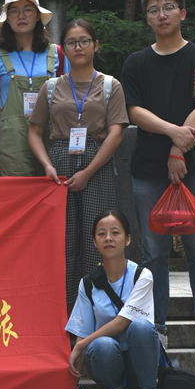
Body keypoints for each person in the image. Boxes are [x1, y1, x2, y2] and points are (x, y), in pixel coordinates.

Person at [121, 0, 195, 353]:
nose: (161, 15)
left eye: (168, 7)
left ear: (182, 12)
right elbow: (134, 111)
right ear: (147, 18)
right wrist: (173, 135)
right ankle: (156, 327)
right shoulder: (136, 63)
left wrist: (178, 151)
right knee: (153, 253)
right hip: (148, 170)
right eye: (153, 10)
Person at [28, 18, 129, 309]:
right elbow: (34, 132)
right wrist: (47, 165)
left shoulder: (110, 85)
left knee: (98, 237)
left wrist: (88, 171)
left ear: (95, 45)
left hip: (96, 163)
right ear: (63, 49)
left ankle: (98, 308)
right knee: (63, 240)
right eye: (71, 42)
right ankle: (64, 310)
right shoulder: (51, 87)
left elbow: (116, 133)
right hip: (59, 163)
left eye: (84, 41)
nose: (78, 47)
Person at [66, 209, 164, 389]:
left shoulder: (142, 276)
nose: (108, 238)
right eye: (101, 234)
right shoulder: (88, 284)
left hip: (140, 359)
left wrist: (81, 345)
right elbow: (82, 334)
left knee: (141, 326)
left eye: (115, 233)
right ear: (94, 242)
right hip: (106, 361)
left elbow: (121, 323)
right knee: (100, 343)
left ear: (128, 239)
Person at [0, 0, 64, 176]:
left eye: (28, 9)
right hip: (11, 145)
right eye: (14, 11)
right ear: (7, 18)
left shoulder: (58, 54)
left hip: (52, 140)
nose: (21, 16)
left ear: (38, 16)